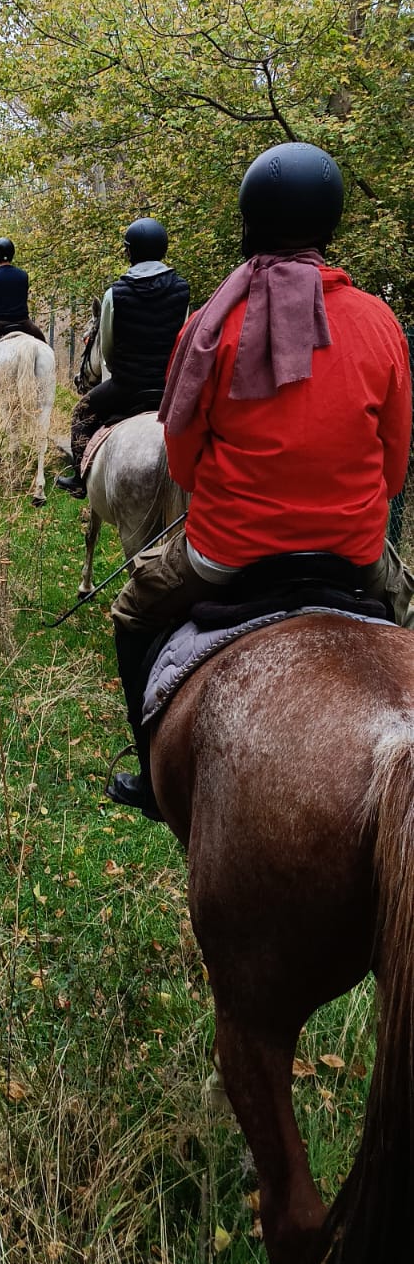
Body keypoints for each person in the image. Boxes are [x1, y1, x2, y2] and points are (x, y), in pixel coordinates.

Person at [107, 142, 414, 819]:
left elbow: (182, 466)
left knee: (130, 613)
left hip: (226, 552)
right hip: (355, 551)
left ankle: (152, 783)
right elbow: (393, 470)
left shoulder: (207, 328)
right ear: (330, 227)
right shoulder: (380, 323)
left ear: (250, 222)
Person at [56, 218, 190, 497]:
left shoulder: (114, 293)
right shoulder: (182, 289)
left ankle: (80, 479)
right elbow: (184, 341)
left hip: (128, 387)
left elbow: (107, 348)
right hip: (170, 389)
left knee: (81, 413)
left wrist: (123, 372)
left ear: (130, 252)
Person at [0, 238, 47, 353]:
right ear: (12, 254)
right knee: (44, 344)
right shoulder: (23, 275)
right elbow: (23, 298)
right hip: (23, 322)